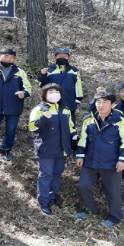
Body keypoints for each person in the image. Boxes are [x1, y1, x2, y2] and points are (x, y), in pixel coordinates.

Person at [75, 91, 124, 228]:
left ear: (112, 104)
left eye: (105, 102)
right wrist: (80, 155)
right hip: (91, 160)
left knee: (112, 191)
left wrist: (122, 159)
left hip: (111, 162)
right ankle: (91, 210)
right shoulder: (88, 119)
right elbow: (83, 139)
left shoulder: (121, 120)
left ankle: (114, 217)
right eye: (98, 102)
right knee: (83, 186)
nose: (101, 105)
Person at [29, 83, 77, 215]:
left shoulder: (65, 110)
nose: (54, 94)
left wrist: (74, 137)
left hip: (62, 148)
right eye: (50, 91)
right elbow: (32, 127)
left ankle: (52, 196)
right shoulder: (39, 109)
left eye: (56, 91)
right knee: (46, 175)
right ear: (44, 94)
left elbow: (71, 127)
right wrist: (44, 118)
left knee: (57, 174)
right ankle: (43, 201)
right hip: (46, 148)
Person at [0, 48, 32, 161]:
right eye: (6, 56)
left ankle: (6, 151)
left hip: (14, 106)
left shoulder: (20, 72)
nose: (9, 59)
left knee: (11, 129)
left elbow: (28, 88)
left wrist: (24, 93)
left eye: (12, 57)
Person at [37, 47, 83, 125]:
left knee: (70, 125)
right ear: (55, 57)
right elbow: (41, 85)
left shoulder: (74, 70)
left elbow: (78, 86)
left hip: (69, 101)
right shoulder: (50, 70)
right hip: (52, 103)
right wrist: (43, 75)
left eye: (64, 56)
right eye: (59, 56)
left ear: (69, 57)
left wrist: (78, 100)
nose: (62, 58)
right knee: (53, 125)